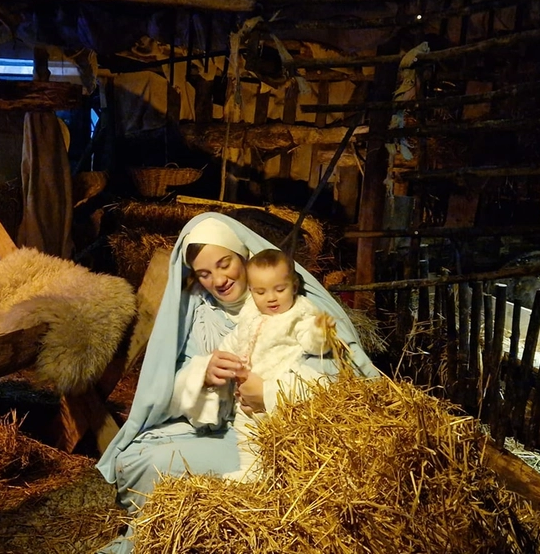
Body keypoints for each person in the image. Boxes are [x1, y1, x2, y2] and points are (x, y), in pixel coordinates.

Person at [95, 213, 379, 550]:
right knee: (140, 462)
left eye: (224, 263)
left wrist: (269, 393)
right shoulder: (201, 313)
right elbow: (172, 384)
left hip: (285, 440)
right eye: (204, 273)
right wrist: (204, 376)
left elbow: (338, 385)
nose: (218, 280)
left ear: (243, 256)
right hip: (227, 430)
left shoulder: (292, 309)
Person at [212, 247, 334, 482]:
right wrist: (221, 356)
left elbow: (311, 341)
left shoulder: (298, 314)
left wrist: (321, 333)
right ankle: (252, 472)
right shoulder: (250, 313)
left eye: (280, 289)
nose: (271, 297)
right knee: (246, 432)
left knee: (274, 438)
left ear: (294, 287)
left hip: (276, 395)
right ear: (250, 291)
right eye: (260, 291)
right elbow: (235, 338)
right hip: (246, 399)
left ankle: (273, 474)